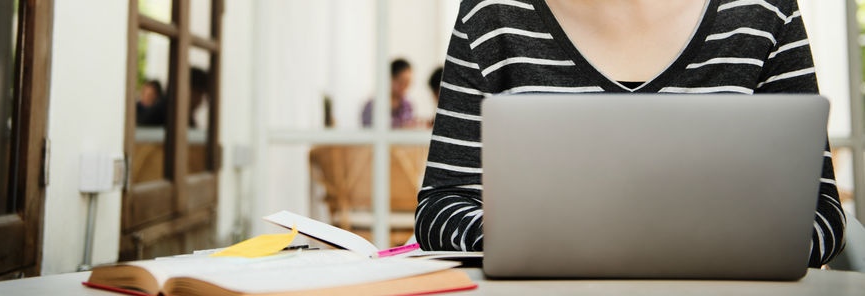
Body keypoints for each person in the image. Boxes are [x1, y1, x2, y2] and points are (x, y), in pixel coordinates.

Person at [415, 0, 846, 268]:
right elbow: (440, 206)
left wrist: (690, 251)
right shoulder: (493, 13)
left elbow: (821, 214)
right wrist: (525, 244)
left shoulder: (765, 11)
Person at [362, 59, 415, 128]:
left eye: (408, 83)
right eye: (401, 82)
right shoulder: (372, 106)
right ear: (390, 78)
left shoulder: (407, 106)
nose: (405, 87)